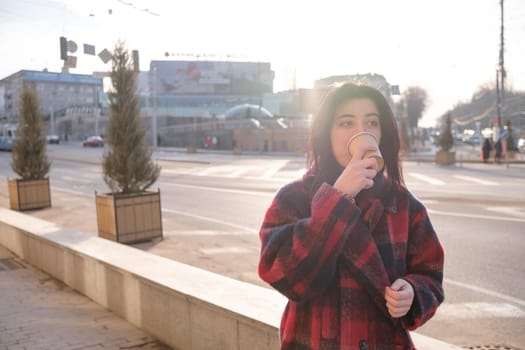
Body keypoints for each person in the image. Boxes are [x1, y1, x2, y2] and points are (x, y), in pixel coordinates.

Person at [257, 82, 444, 349]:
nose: (362, 132)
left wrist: (413, 292)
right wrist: (337, 197)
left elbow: (431, 274)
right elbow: (284, 274)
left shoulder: (403, 204)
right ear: (327, 133)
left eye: (372, 122)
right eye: (346, 123)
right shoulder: (294, 197)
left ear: (382, 133)